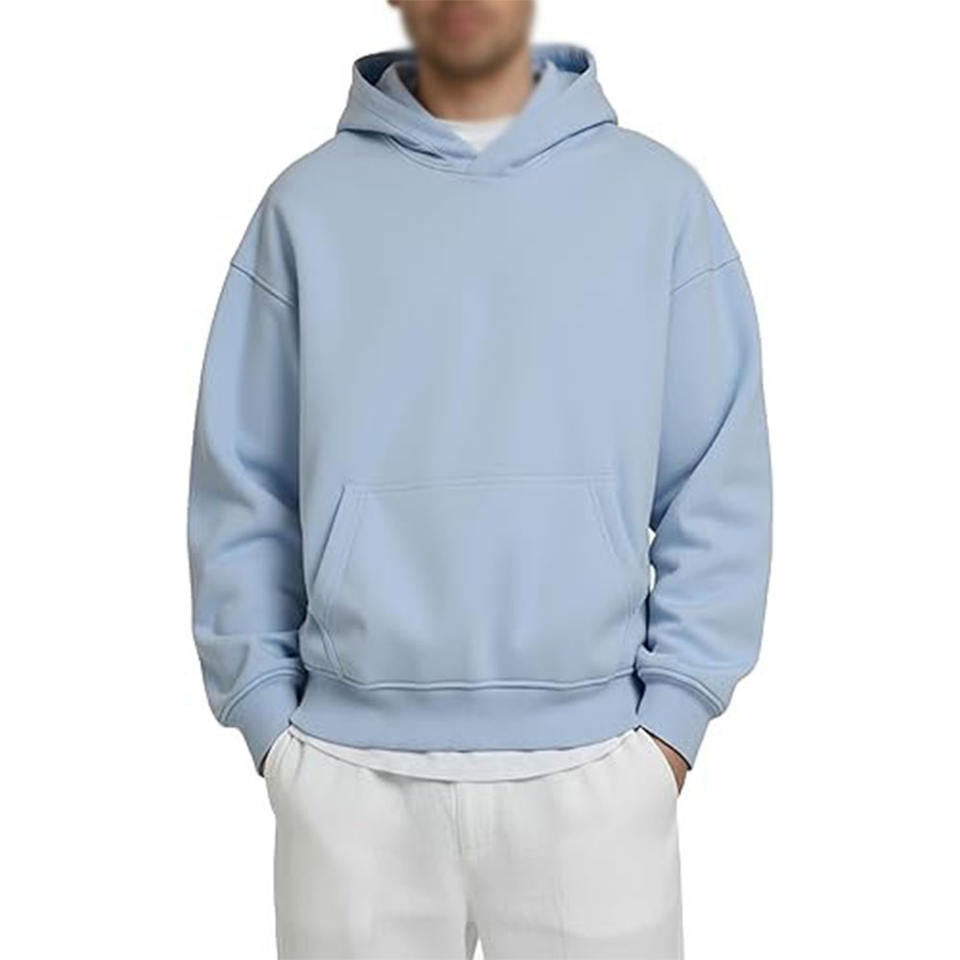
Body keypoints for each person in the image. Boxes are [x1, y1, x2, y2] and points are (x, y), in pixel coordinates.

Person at [187, 2, 772, 957]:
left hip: (597, 775)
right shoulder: (306, 207)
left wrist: (671, 726)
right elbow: (241, 483)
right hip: (348, 779)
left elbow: (719, 479)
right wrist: (268, 723)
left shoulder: (659, 202)